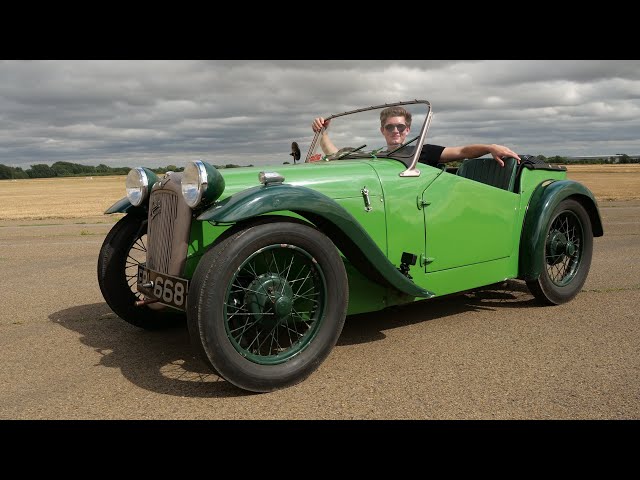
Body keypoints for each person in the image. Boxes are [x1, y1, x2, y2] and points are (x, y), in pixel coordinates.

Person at [312, 106, 521, 167]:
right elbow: (335, 153)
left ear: (408, 130)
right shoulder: (376, 156)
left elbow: (461, 152)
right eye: (390, 127)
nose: (396, 131)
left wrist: (490, 147)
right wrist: (323, 131)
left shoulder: (421, 151)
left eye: (400, 127)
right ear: (382, 130)